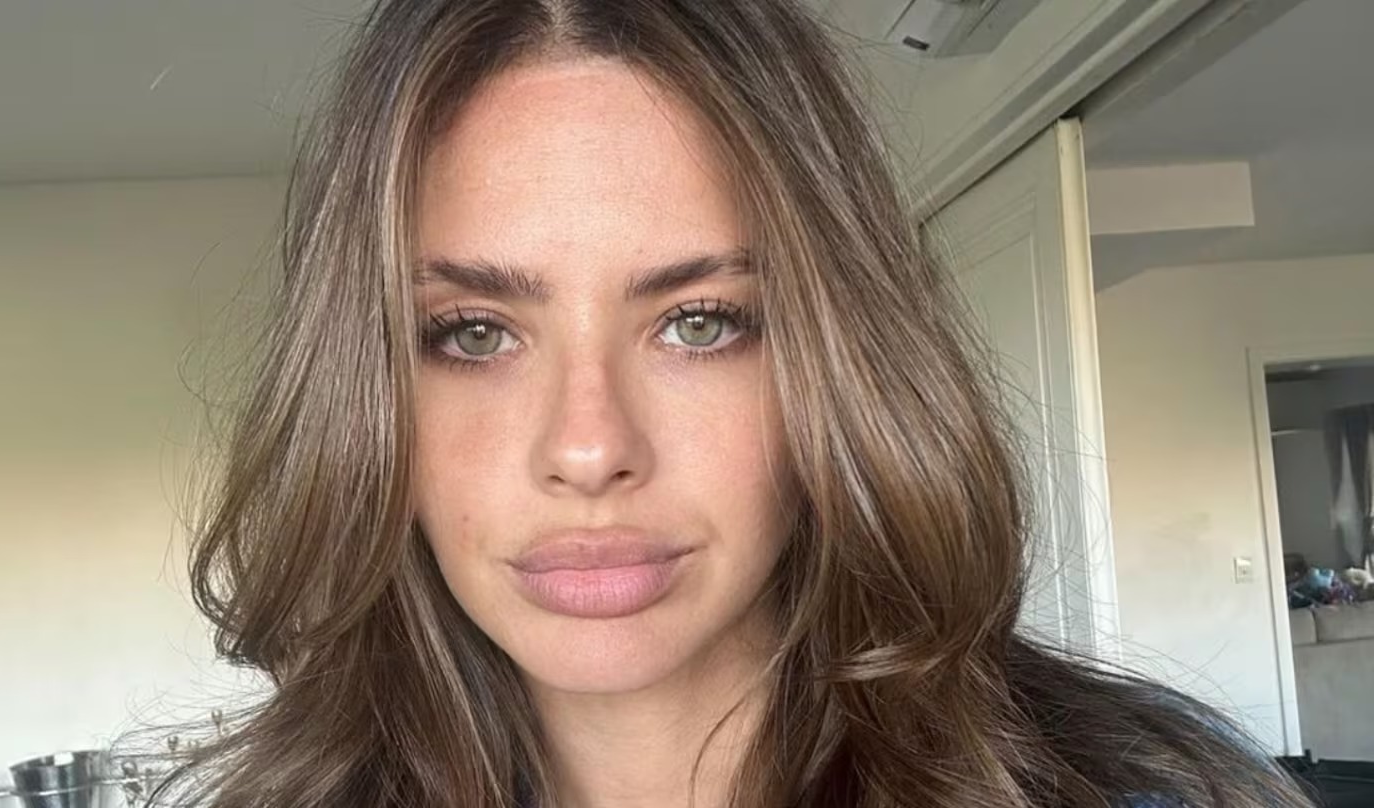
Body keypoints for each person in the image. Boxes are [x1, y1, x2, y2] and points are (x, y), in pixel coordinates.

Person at [161, 1, 1315, 806]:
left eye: (700, 321)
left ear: (838, 352)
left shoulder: (1144, 792)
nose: (588, 448)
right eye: (472, 332)